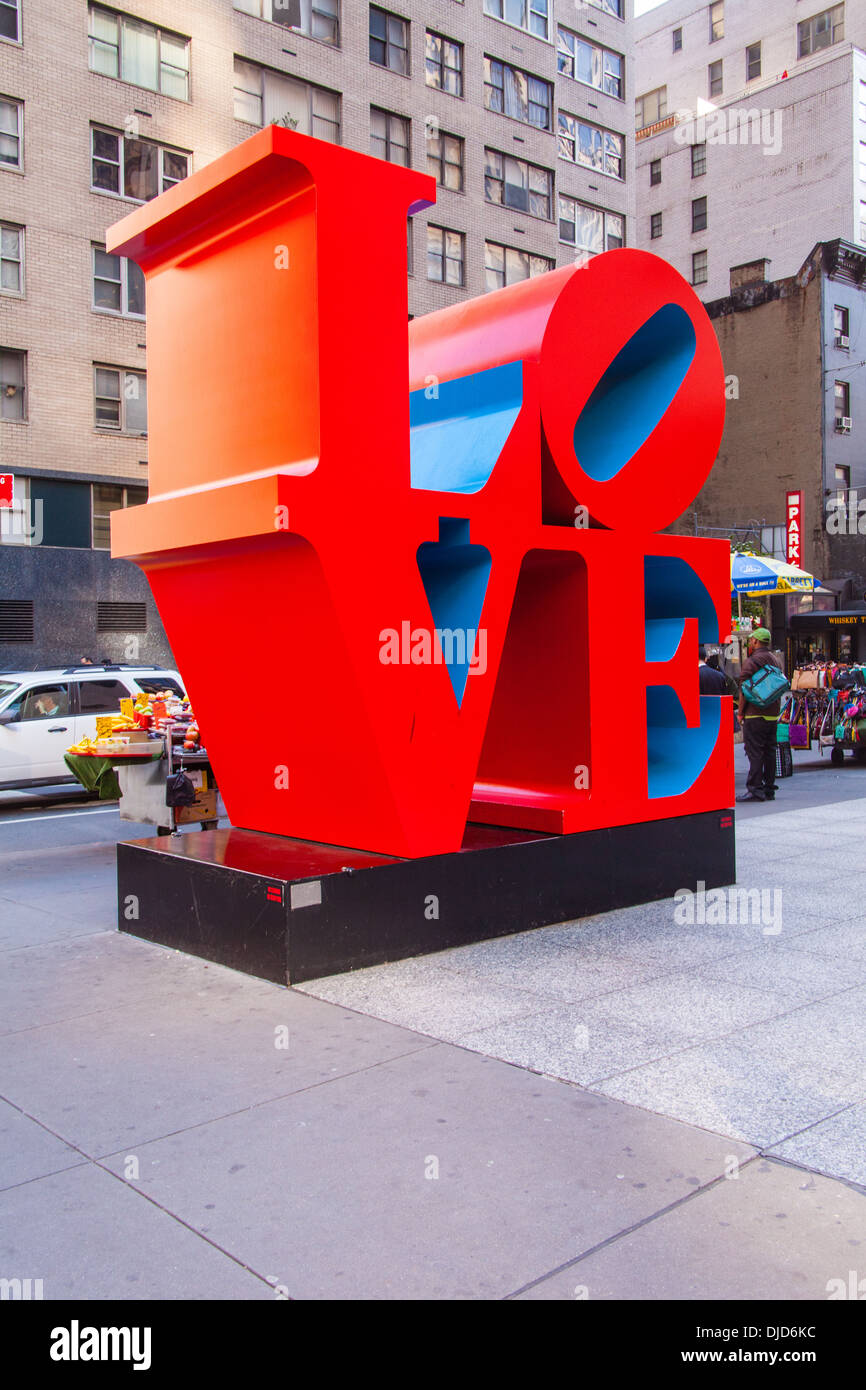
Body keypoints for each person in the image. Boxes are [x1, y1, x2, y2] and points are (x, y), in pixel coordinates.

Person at [738, 628, 783, 803]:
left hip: (755, 714)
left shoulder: (751, 662)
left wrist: (741, 713)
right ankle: (769, 789)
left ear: (756, 642)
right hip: (773, 714)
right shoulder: (776, 661)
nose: (750, 644)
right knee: (770, 751)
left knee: (755, 752)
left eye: (751, 641)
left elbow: (743, 690)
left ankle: (755, 790)